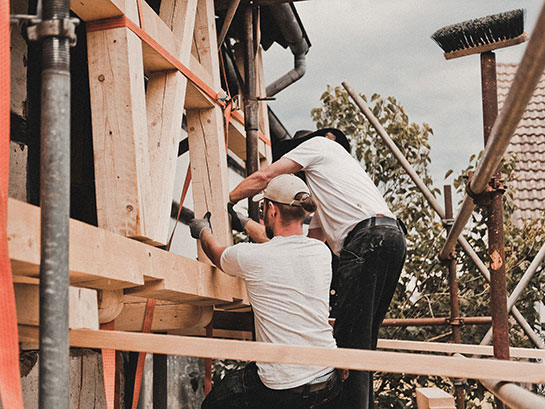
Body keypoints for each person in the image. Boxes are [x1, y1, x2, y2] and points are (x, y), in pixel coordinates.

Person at [228, 128, 407, 409]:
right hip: (391, 239)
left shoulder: (318, 146)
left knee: (349, 347)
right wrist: (242, 223)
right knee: (362, 346)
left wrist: (229, 199)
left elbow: (264, 177)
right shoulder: (330, 191)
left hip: (367, 242)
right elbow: (298, 248)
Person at [189, 174, 345, 409]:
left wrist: (202, 231)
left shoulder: (251, 256)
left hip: (284, 387)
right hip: (327, 378)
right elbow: (281, 246)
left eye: (263, 210)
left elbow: (216, 253)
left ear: (271, 209)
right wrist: (243, 222)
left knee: (214, 405)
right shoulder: (320, 252)